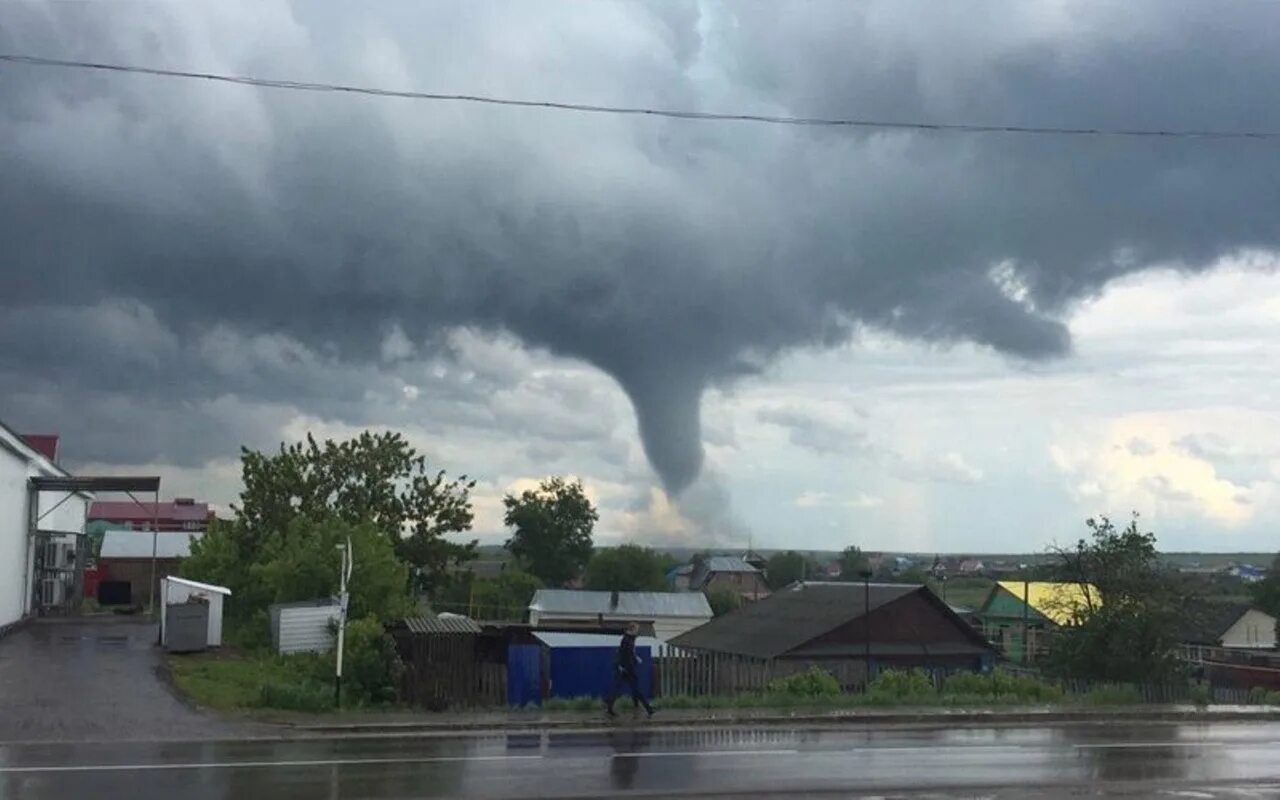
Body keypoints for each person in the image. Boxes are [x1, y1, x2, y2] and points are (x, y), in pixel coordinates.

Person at [605, 623, 654, 717]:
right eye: (636, 629)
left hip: (626, 668)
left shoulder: (629, 639)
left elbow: (629, 653)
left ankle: (610, 707)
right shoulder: (626, 640)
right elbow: (623, 653)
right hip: (626, 668)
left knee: (621, 688)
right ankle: (648, 709)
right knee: (634, 689)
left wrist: (636, 658)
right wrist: (622, 665)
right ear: (631, 629)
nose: (637, 631)